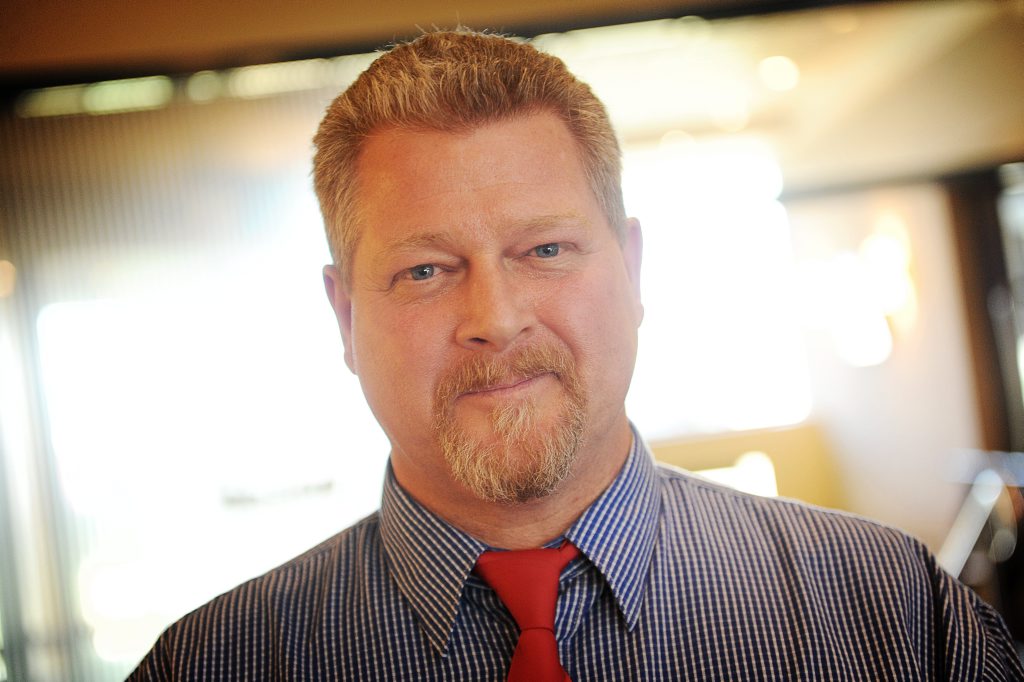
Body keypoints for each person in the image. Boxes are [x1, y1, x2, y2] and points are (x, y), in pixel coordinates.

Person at [129, 29, 1024, 681]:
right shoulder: (211, 665)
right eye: (425, 269)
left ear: (631, 271)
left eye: (546, 250)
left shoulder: (893, 613)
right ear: (344, 316)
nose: (496, 318)